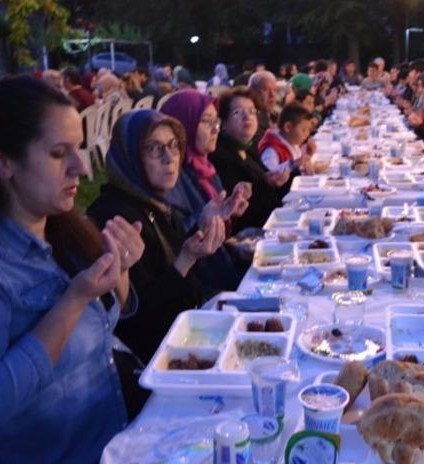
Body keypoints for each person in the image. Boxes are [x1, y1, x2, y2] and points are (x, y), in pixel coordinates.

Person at [0, 76, 143, 464]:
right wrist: (73, 300)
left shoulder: (58, 225)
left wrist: (119, 271)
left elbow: (107, 321)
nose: (81, 167)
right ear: (3, 163)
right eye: (58, 153)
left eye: (78, 149)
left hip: (125, 440)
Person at [88, 110, 225, 363]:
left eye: (174, 146)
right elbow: (142, 322)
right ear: (129, 156)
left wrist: (202, 226)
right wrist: (186, 259)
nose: (169, 157)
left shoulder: (153, 202)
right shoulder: (117, 217)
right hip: (162, 360)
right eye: (153, 148)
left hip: (187, 335)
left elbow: (169, 258)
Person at [161, 90, 250, 290]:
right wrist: (204, 222)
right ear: (182, 126)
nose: (215, 129)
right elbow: (177, 239)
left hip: (222, 269)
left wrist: (228, 211)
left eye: (216, 122)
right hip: (202, 287)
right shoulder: (172, 178)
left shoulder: (205, 167)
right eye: (206, 121)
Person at [210, 87, 286, 232]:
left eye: (252, 111)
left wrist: (294, 173)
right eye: (237, 112)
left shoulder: (247, 149)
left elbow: (269, 186)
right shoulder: (220, 156)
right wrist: (266, 183)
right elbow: (240, 211)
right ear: (223, 122)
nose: (247, 117)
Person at [258, 103, 314, 178]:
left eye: (308, 130)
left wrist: (308, 155)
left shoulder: (291, 143)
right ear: (288, 127)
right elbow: (268, 174)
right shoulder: (271, 150)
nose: (307, 134)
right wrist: (293, 164)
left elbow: (298, 164)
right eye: (303, 130)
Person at [248, 70, 279, 146]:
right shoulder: (250, 120)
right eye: (265, 89)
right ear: (252, 92)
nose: (272, 95)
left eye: (275, 90)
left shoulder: (275, 115)